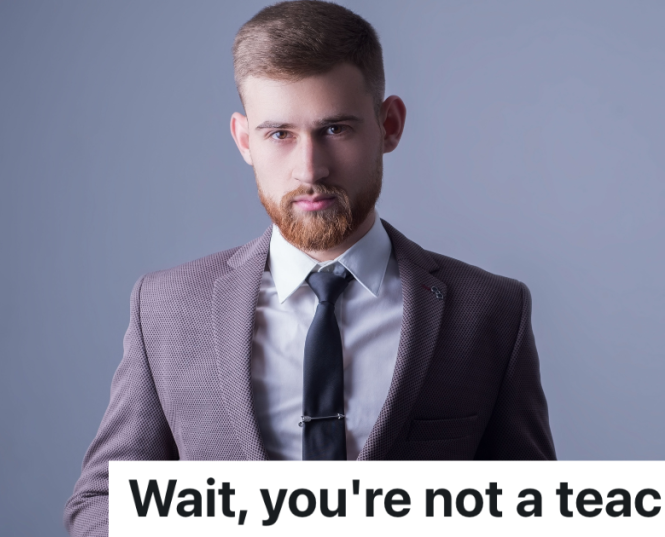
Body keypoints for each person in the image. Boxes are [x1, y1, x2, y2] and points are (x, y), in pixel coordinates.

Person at [65, 1, 555, 534]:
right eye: (280, 134)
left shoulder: (491, 312)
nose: (310, 169)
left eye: (336, 129)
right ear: (244, 139)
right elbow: (102, 501)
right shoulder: (165, 307)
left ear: (389, 125)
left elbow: (531, 511)